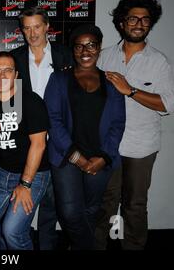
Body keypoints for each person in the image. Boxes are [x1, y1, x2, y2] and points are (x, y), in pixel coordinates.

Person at [95, 0, 174, 250]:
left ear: (150, 24)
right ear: (122, 23)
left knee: (135, 205)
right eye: (133, 19)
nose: (139, 24)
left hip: (141, 147)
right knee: (104, 203)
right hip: (108, 145)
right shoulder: (104, 57)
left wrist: (130, 90)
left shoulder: (159, 62)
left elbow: (168, 104)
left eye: (145, 19)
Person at [44, 24, 126, 250]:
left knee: (91, 209)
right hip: (67, 156)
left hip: (100, 157)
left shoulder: (112, 82)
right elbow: (53, 120)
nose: (85, 51)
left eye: (91, 45)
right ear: (73, 49)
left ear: (99, 48)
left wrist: (104, 156)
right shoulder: (58, 79)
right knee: (70, 212)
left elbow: (118, 124)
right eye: (79, 46)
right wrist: (76, 157)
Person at [10, 6, 74, 249]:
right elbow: (0, 88)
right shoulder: (14, 57)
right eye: (27, 28)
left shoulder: (65, 55)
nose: (32, 33)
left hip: (58, 138)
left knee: (52, 203)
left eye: (37, 26)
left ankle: (47, 245)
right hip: (26, 140)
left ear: (47, 27)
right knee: (21, 202)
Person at [0, 51, 50, 250]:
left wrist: (25, 185)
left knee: (12, 231)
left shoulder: (31, 101)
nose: (2, 75)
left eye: (8, 70)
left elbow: (39, 144)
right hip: (3, 172)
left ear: (16, 75)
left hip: (34, 174)